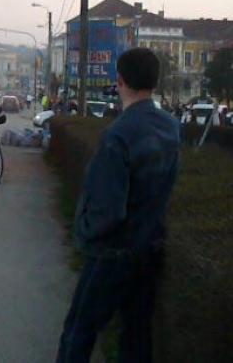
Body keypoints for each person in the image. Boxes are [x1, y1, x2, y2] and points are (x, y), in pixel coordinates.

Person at [56, 48, 181, 363]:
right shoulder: (170, 127)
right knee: (136, 337)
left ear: (120, 80)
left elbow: (108, 210)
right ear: (155, 82)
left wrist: (84, 233)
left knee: (79, 331)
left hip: (112, 255)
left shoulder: (118, 135)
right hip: (149, 251)